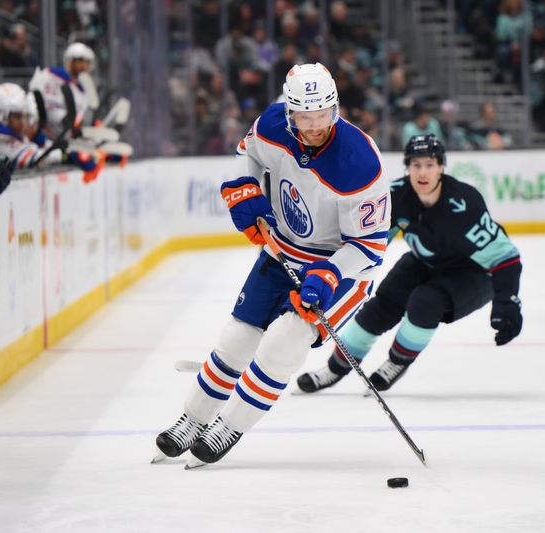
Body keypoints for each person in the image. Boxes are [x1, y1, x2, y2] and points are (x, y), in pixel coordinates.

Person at [154, 63, 390, 466]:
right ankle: (192, 419)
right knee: (237, 338)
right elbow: (247, 155)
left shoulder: (360, 161)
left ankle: (229, 426)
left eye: (322, 115)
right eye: (304, 117)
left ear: (334, 108)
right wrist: (241, 189)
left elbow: (370, 246)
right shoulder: (272, 124)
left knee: (285, 340)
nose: (315, 126)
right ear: (289, 112)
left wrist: (330, 273)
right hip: (282, 251)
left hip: (340, 271)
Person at [297, 134, 523, 394]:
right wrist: (330, 274)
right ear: (407, 167)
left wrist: (507, 301)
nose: (422, 172)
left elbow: (505, 258)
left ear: (441, 167)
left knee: (425, 302)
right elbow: (368, 245)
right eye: (416, 165)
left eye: (429, 164)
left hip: (472, 274)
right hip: (423, 261)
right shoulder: (396, 196)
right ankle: (334, 369)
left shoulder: (464, 204)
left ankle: (396, 362)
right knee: (378, 309)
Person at [0, 83, 96, 172]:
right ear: (3, 116)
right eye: (17, 116)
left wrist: (77, 150)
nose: (23, 122)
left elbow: (46, 148)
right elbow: (33, 158)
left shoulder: (19, 138)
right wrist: (67, 156)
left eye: (26, 116)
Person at [28, 42, 94, 136]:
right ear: (70, 61)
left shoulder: (83, 91)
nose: (83, 66)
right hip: (42, 134)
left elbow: (80, 119)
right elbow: (35, 100)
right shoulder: (51, 75)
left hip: (66, 138)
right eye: (80, 61)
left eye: (87, 62)